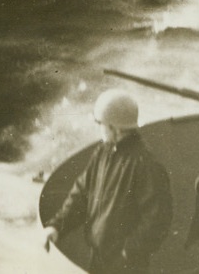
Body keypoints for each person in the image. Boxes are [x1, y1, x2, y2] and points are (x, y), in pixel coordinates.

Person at [43, 90, 173, 273]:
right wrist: (56, 226)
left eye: (100, 123)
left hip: (126, 266)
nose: (99, 128)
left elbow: (158, 219)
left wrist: (128, 252)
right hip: (99, 259)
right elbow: (81, 194)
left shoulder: (145, 164)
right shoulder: (103, 153)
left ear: (115, 128)